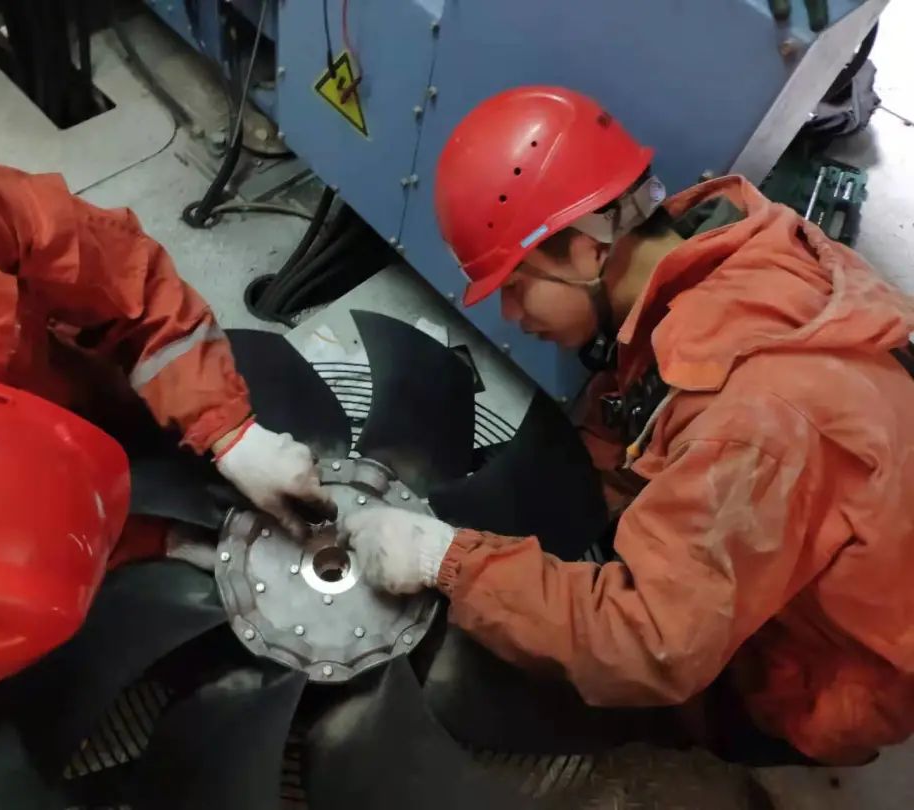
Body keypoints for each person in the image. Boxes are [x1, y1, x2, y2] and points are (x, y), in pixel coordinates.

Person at [341, 86, 914, 766]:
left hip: (827, 675)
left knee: (505, 678)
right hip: (818, 518)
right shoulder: (716, 248)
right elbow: (638, 408)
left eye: (517, 286)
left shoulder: (751, 422)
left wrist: (448, 563)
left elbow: (651, 647)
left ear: (588, 251)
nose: (512, 316)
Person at [0, 159, 334, 547]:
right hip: (50, 503)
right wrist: (150, 543)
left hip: (97, 390)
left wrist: (229, 432)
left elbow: (128, 283)